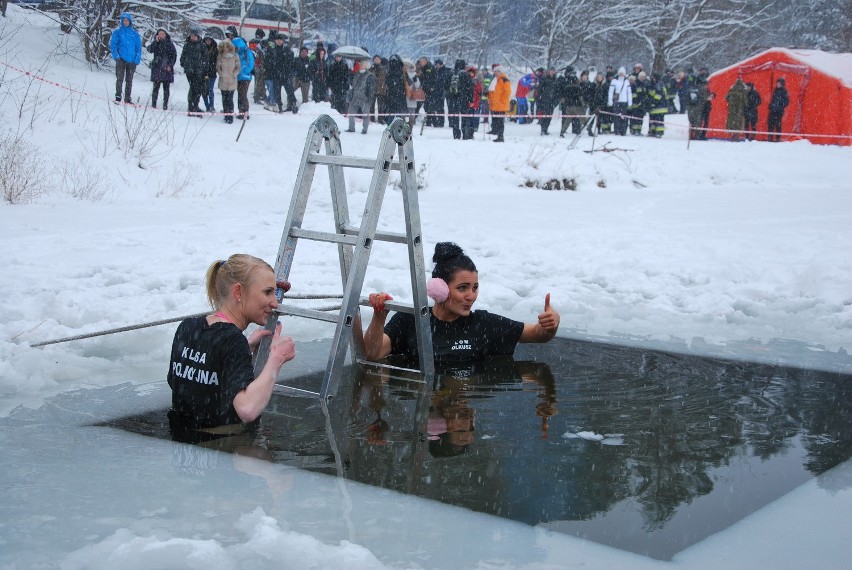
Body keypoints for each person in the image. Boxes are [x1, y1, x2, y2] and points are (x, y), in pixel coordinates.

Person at [363, 242, 560, 364]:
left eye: (475, 288)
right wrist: (379, 316)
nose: (471, 296)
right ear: (439, 288)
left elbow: (537, 335)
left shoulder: (483, 324)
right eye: (463, 288)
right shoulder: (410, 321)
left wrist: (552, 324)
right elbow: (373, 353)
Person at [167, 254, 295, 432]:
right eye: (267, 292)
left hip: (181, 445)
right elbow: (247, 410)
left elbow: (181, 383)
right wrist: (277, 357)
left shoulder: (187, 327)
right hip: (220, 449)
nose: (275, 303)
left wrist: (245, 349)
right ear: (238, 292)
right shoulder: (232, 340)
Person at [109, 12, 142, 104]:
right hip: (121, 59)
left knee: (129, 80)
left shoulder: (135, 34)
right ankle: (118, 96)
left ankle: (127, 98)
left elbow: (138, 47)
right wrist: (116, 56)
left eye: (127, 20)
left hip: (132, 61)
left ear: (130, 21)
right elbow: (113, 45)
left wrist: (137, 59)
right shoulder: (118, 32)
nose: (126, 22)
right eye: (124, 20)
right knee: (119, 78)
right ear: (122, 21)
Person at [180, 26, 208, 116]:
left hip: (199, 71)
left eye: (195, 36)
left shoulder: (202, 46)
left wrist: (203, 68)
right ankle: (192, 107)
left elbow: (205, 58)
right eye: (192, 36)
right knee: (193, 89)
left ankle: (195, 106)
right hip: (190, 71)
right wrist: (184, 65)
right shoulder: (187, 45)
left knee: (198, 90)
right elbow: (183, 57)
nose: (193, 37)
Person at [147, 28, 176, 110]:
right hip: (157, 67)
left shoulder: (170, 44)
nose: (161, 35)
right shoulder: (155, 43)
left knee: (166, 88)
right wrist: (155, 42)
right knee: (155, 87)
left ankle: (165, 105)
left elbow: (174, 56)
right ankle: (153, 104)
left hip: (166, 68)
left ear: (165, 35)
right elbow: (150, 50)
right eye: (159, 34)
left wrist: (170, 65)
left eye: (163, 34)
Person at [346, 58, 376, 134]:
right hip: (355, 97)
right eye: (360, 63)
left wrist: (369, 99)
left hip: (364, 98)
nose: (360, 65)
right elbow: (352, 84)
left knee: (365, 114)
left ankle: (365, 129)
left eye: (362, 64)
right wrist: (350, 74)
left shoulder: (370, 76)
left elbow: (371, 89)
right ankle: (351, 128)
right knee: (351, 113)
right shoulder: (356, 74)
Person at [216, 38, 241, 124]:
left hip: (232, 80)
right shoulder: (220, 56)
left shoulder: (235, 56)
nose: (225, 49)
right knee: (224, 98)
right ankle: (226, 115)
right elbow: (218, 67)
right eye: (224, 47)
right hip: (223, 80)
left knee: (230, 99)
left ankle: (230, 116)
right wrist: (221, 74)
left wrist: (234, 74)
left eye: (227, 47)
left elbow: (238, 67)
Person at [488, 65, 511, 142]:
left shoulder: (505, 80)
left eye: (497, 71)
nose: (495, 73)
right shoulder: (495, 80)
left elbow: (507, 92)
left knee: (500, 122)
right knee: (496, 121)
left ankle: (500, 137)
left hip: (501, 105)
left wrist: (501, 101)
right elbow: (492, 92)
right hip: (495, 105)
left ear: (500, 72)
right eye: (495, 71)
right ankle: (497, 134)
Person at [607, 66, 632, 136]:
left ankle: (623, 131)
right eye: (620, 73)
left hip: (624, 101)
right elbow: (610, 92)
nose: (621, 74)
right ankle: (617, 130)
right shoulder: (614, 81)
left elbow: (629, 92)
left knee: (624, 117)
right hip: (617, 101)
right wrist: (610, 100)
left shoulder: (627, 82)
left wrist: (630, 102)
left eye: (622, 73)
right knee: (616, 116)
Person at [767, 77, 789, 142]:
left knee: (778, 125)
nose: (778, 84)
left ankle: (777, 138)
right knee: (770, 124)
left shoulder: (784, 92)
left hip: (779, 111)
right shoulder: (775, 90)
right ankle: (770, 137)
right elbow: (773, 100)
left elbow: (786, 102)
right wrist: (771, 105)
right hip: (772, 110)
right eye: (777, 83)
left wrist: (780, 105)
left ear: (782, 84)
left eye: (779, 83)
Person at [202, 36, 218, 112]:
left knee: (210, 90)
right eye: (206, 40)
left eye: (209, 40)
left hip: (212, 73)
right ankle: (207, 105)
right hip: (203, 73)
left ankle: (211, 105)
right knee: (204, 90)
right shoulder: (202, 48)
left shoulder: (215, 49)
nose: (208, 42)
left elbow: (217, 60)